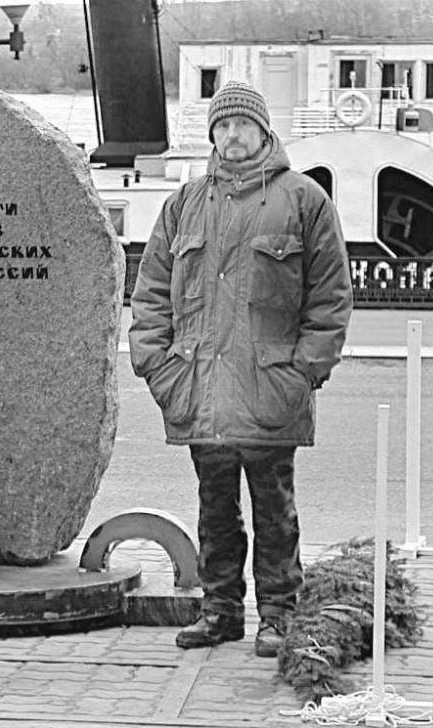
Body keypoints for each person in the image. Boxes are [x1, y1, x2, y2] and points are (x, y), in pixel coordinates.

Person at [128, 80, 353, 657]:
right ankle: (220, 609)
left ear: (263, 132)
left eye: (242, 125)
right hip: (200, 386)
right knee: (214, 505)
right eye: (222, 126)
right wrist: (157, 365)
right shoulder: (184, 203)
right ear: (212, 135)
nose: (231, 136)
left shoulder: (304, 200)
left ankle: (278, 613)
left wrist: (303, 373)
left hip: (270, 387)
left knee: (275, 509)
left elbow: (329, 299)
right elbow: (151, 291)